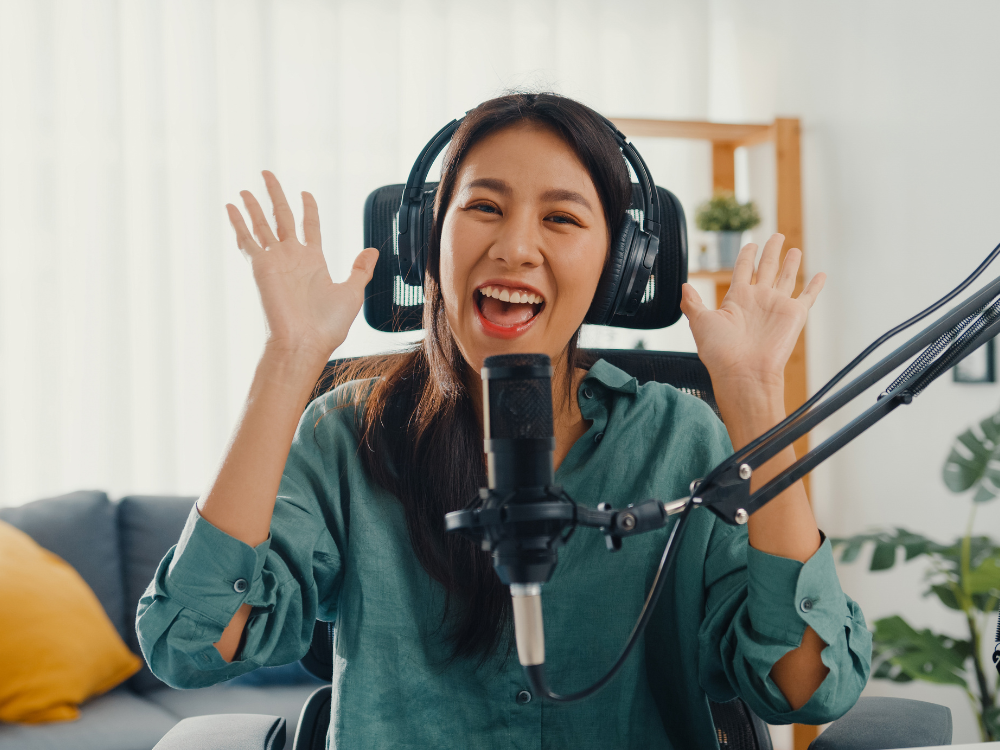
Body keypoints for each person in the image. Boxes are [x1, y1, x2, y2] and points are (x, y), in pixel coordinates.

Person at [136, 93, 870, 749]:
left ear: (616, 265)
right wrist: (289, 357)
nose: (516, 247)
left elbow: (805, 687)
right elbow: (190, 644)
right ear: (427, 239)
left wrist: (752, 394)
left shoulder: (682, 437)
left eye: (561, 217)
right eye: (485, 206)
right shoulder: (345, 433)